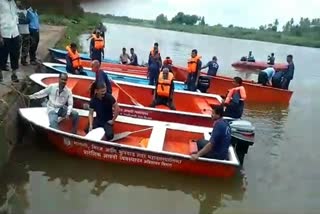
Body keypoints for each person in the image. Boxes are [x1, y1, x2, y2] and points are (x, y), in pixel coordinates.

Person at [0, 0, 21, 82]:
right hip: (4, 32)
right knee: (2, 55)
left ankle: (14, 74)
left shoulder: (13, 2)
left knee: (15, 54)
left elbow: (15, 16)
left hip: (15, 32)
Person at [17, 1, 31, 66]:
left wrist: (25, 20)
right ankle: (15, 62)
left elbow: (29, 20)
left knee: (26, 48)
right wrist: (26, 20)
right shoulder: (16, 11)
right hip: (19, 33)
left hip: (26, 32)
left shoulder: (26, 11)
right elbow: (22, 21)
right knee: (17, 48)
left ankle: (23, 60)